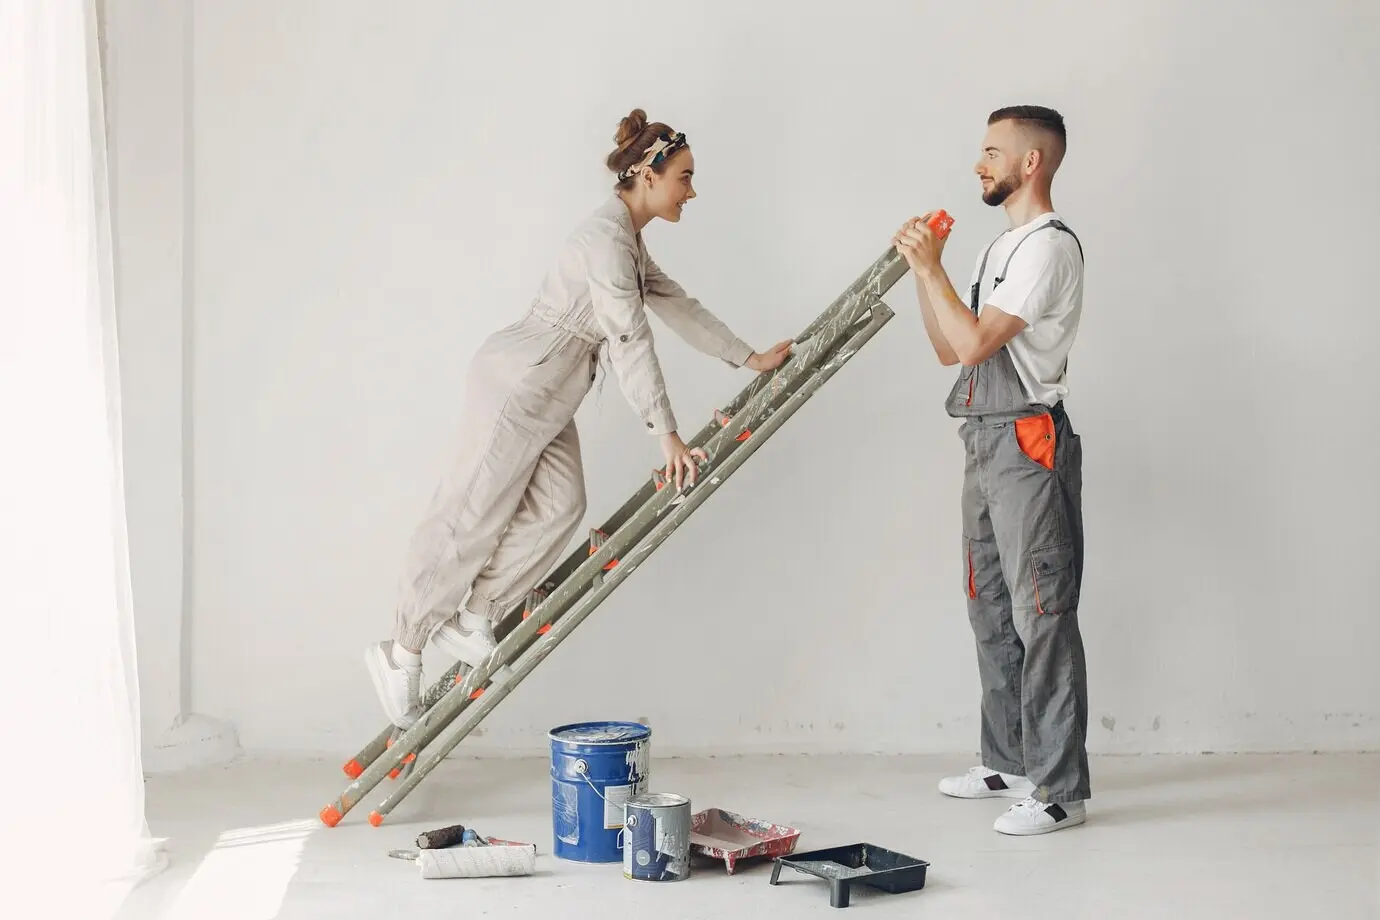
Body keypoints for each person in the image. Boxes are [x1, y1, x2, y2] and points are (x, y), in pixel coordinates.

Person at [365, 108, 794, 729]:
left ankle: (474, 616)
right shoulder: (604, 242)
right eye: (685, 177)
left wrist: (748, 357)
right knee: (470, 515)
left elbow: (679, 306)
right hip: (519, 382)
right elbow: (628, 335)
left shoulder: (628, 242)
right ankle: (402, 650)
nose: (692, 191)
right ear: (648, 175)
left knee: (561, 505)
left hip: (553, 388)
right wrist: (666, 434)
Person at [892, 105, 1090, 836]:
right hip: (982, 438)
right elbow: (949, 350)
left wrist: (932, 266)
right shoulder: (996, 250)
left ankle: (1059, 787)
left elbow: (974, 344)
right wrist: (926, 272)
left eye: (991, 152)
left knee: (1042, 611)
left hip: (1028, 444)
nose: (979, 164)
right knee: (989, 603)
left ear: (1030, 163)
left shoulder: (1046, 249)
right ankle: (1007, 757)